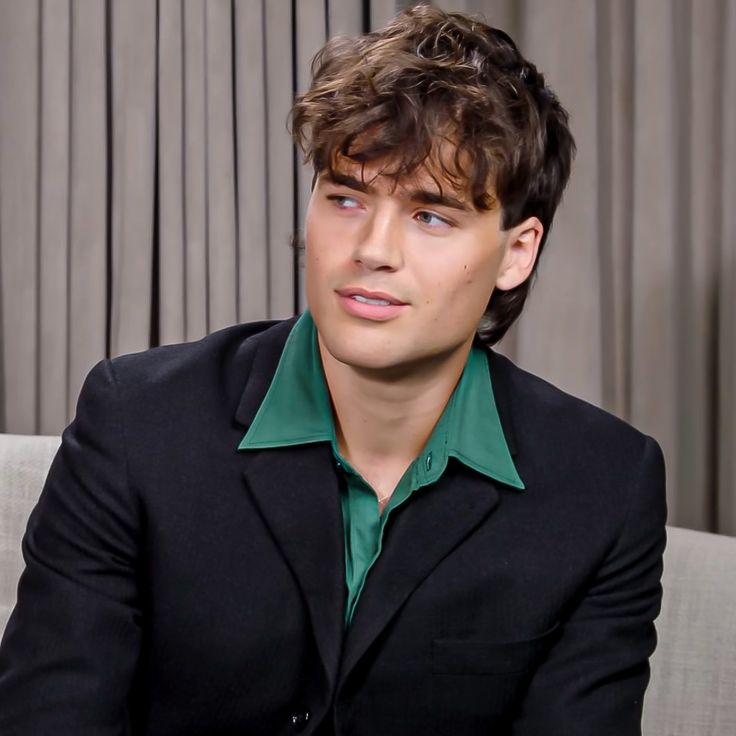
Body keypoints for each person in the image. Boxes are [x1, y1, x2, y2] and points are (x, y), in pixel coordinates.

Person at [0, 6, 666, 735]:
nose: (372, 248)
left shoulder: (606, 487)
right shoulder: (134, 423)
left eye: (431, 215)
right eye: (346, 197)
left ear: (517, 252)